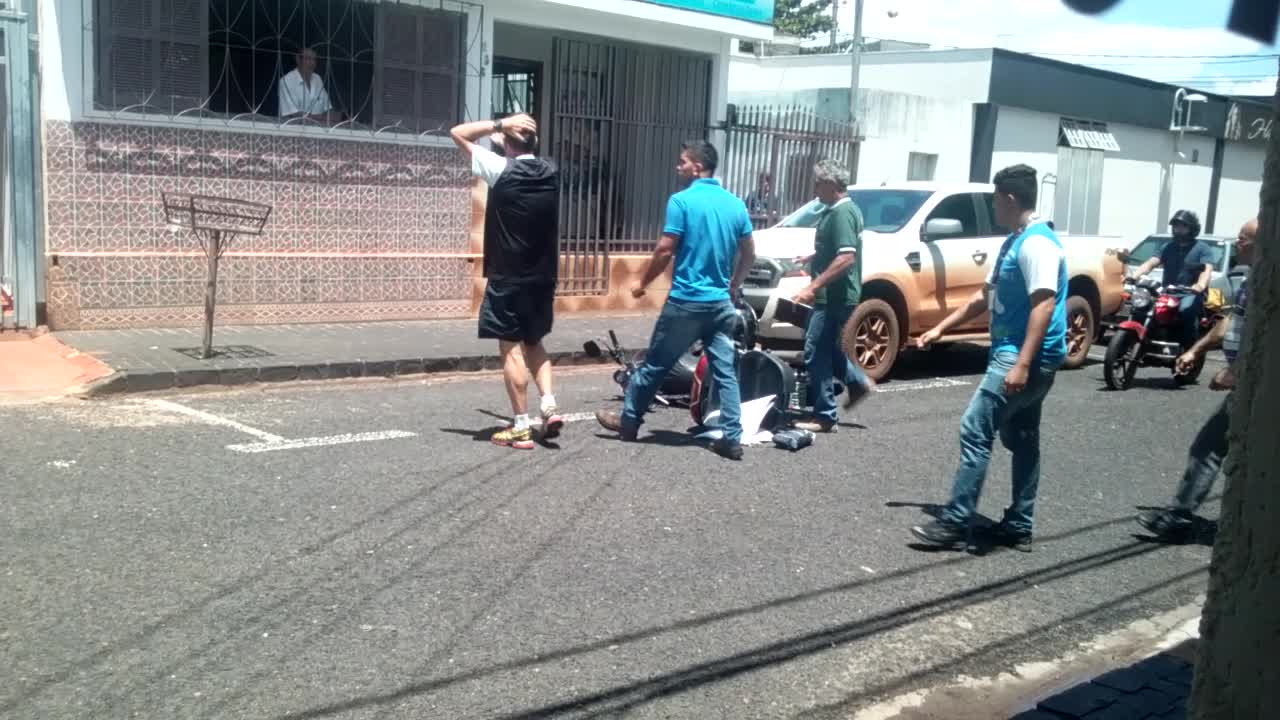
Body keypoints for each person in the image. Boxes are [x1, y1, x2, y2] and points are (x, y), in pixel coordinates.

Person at [910, 164, 1068, 552]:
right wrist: (940, 328)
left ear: (1010, 199)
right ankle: (1019, 524)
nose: (993, 206)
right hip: (1017, 356)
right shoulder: (1015, 240)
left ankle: (956, 521)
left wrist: (1022, 364)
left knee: (974, 428)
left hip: (1021, 358)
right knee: (1023, 437)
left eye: (996, 199)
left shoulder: (1037, 244)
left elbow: (1044, 305)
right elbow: (985, 296)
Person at [595, 140, 756, 460]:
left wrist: (643, 283)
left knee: (655, 364)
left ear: (697, 167)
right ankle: (733, 438)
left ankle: (629, 424)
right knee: (725, 371)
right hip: (720, 304)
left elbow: (665, 249)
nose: (677, 167)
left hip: (685, 302)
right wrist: (734, 285)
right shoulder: (736, 205)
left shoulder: (681, 201)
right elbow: (749, 252)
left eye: (682, 162)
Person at [1137, 218, 1256, 538]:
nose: (1239, 243)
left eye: (1243, 239)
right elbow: (1230, 321)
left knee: (1222, 450)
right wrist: (1195, 351)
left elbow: (1265, 337)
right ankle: (1181, 514)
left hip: (1258, 388)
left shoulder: (1264, 280)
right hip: (1245, 385)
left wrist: (1236, 370)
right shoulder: (1251, 279)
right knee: (1209, 447)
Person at [450, 113, 563, 449]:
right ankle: (549, 404)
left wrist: (499, 124)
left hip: (509, 278)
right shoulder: (552, 170)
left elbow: (457, 133)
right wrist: (509, 136)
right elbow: (518, 151)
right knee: (535, 342)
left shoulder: (500, 169)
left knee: (510, 348)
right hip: (543, 277)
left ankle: (520, 427)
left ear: (509, 142)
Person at [790, 159, 874, 433]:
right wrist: (813, 256)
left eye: (818, 183)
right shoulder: (840, 211)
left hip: (834, 296)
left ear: (831, 183)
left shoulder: (842, 213)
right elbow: (837, 248)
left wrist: (812, 288)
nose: (815, 188)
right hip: (835, 294)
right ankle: (857, 383)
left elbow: (847, 257)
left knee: (815, 351)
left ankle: (825, 415)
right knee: (827, 347)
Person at [1125, 210, 1215, 344]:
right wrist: (1133, 276)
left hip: (1190, 292)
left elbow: (1206, 270)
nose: (1178, 229)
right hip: (1168, 292)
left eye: (1183, 226)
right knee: (1142, 307)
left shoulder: (1202, 248)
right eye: (1176, 226)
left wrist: (1200, 285)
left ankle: (1188, 349)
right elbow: (1151, 263)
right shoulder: (1168, 247)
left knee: (1186, 310)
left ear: (1192, 228)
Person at [278, 48, 340, 122]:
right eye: (308, 59)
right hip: (294, 130)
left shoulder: (317, 79)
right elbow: (293, 115)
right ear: (298, 59)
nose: (312, 63)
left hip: (320, 130)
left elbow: (328, 109)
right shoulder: (286, 81)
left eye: (314, 59)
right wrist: (322, 118)